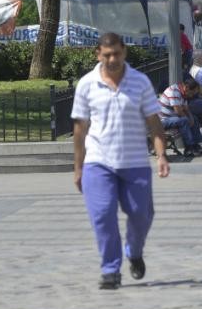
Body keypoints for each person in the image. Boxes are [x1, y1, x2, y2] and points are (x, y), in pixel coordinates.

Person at [71, 33, 170, 291]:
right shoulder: (87, 84)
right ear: (98, 54)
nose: (112, 59)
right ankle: (110, 270)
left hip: (135, 161)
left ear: (124, 51)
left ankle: (134, 252)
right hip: (98, 162)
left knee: (141, 214)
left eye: (116, 53)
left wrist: (161, 155)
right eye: (107, 55)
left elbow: (154, 123)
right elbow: (80, 129)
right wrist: (78, 167)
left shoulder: (140, 82)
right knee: (102, 216)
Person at [157, 76, 202, 156]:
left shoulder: (184, 93)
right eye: (192, 93)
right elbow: (178, 111)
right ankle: (189, 147)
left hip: (172, 118)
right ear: (187, 88)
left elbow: (186, 109)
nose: (192, 95)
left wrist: (191, 118)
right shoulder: (174, 91)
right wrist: (188, 119)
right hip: (163, 120)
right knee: (184, 120)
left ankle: (196, 145)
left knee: (194, 119)